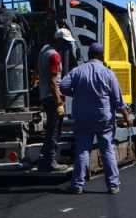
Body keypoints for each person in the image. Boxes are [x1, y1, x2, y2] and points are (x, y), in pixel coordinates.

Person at [60, 43, 129, 194]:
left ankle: (77, 185)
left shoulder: (77, 71)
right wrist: (126, 116)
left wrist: (76, 93)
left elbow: (63, 86)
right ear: (101, 56)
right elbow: (118, 100)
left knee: (83, 150)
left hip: (82, 117)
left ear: (89, 55)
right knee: (107, 150)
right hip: (103, 118)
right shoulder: (108, 73)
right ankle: (113, 185)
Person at [36, 28, 74, 172]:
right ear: (59, 41)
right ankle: (51, 161)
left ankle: (44, 159)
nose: (67, 46)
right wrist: (59, 101)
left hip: (45, 95)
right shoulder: (55, 56)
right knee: (54, 131)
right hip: (53, 98)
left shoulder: (44, 50)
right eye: (65, 43)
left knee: (50, 129)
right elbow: (53, 81)